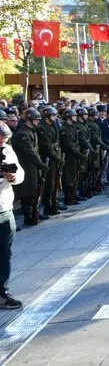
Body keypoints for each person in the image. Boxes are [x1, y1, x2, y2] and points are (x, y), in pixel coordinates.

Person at [0, 121, 25, 309]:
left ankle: (2, 292)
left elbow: (19, 172)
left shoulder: (7, 150)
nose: (3, 145)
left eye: (4, 141)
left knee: (5, 254)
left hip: (4, 207)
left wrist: (13, 177)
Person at [12, 109, 48, 226]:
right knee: (27, 191)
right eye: (36, 120)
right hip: (26, 165)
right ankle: (28, 216)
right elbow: (29, 152)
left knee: (34, 189)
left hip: (33, 165)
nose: (38, 122)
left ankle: (34, 212)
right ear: (30, 120)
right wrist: (41, 165)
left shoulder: (32, 131)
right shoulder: (23, 133)